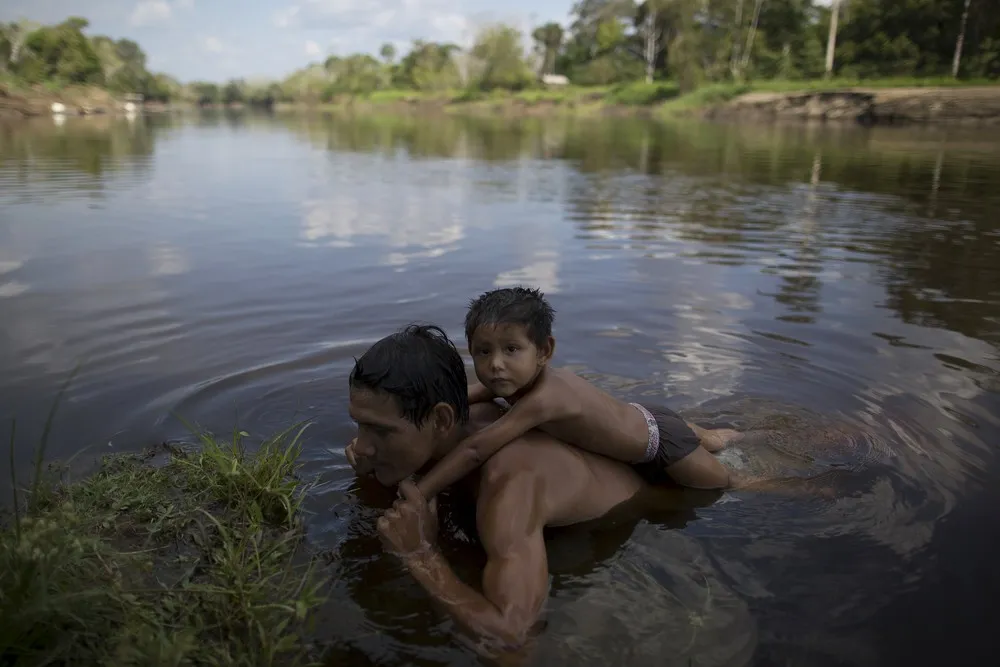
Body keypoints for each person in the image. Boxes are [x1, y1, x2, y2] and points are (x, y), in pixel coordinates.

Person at [344, 324, 707, 649]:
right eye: (361, 425)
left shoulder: (510, 482)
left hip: (660, 501)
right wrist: (370, 470)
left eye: (381, 431)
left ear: (441, 418)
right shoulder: (448, 425)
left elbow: (514, 640)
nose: (360, 445)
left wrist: (420, 556)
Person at [414, 286, 740, 501]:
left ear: (544, 351)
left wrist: (421, 491)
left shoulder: (544, 399)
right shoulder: (510, 380)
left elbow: (475, 450)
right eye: (483, 352)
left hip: (661, 445)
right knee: (718, 441)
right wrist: (414, 414)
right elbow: (456, 400)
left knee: (730, 484)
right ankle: (741, 436)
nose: (496, 364)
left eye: (511, 349)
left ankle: (788, 486)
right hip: (644, 415)